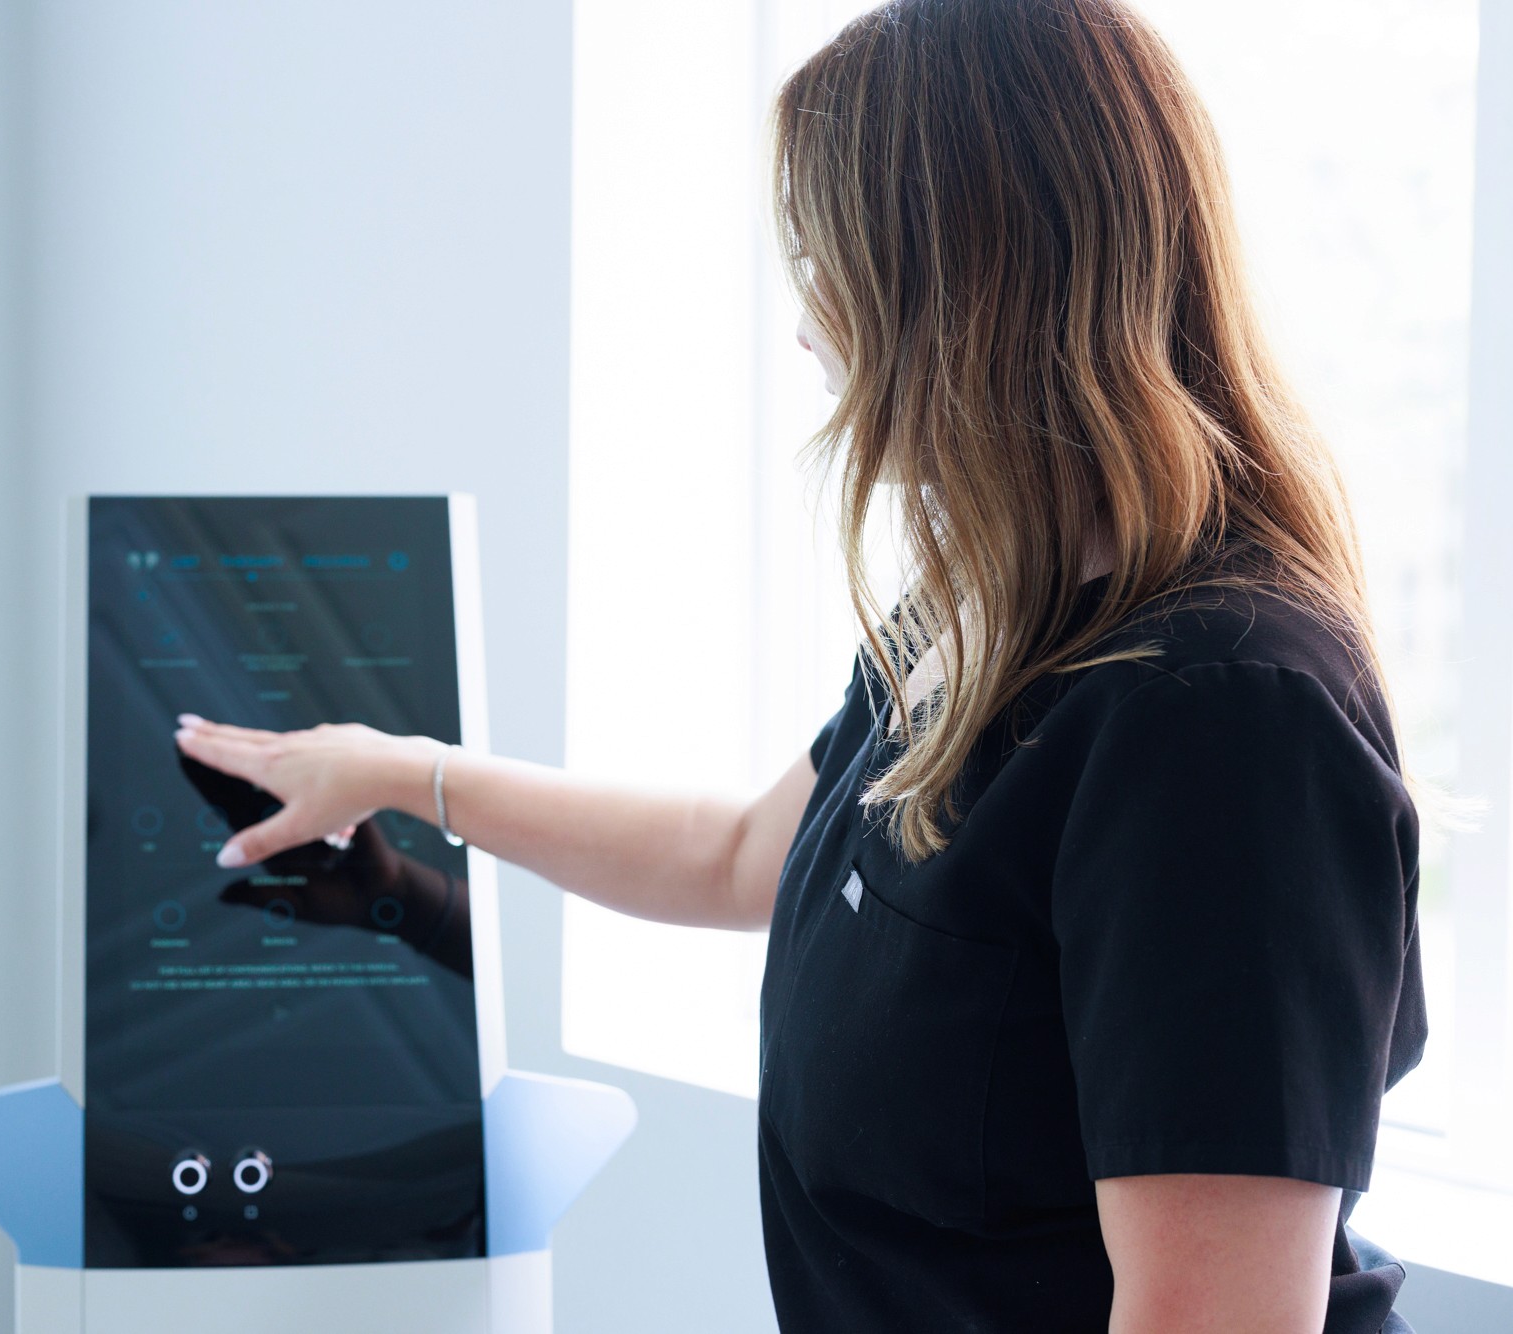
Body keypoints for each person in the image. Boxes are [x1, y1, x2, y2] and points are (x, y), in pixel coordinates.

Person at [173, 0, 1428, 1327]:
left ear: (955, 290)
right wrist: (399, 772)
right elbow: (736, 854)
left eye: (830, 269)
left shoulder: (1223, 721)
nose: (810, 334)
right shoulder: (999, 610)